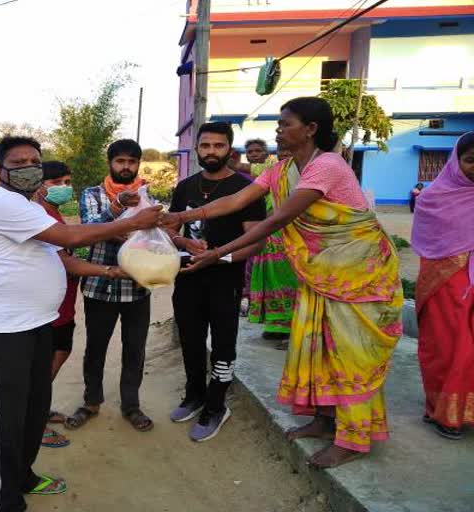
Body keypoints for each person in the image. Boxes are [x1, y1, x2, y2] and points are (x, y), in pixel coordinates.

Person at [163, 97, 402, 468]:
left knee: (351, 354)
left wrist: (218, 253)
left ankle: (354, 438)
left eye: (285, 123)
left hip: (358, 274)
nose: (277, 129)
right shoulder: (282, 169)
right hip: (321, 274)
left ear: (310, 129)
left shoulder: (328, 166)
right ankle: (324, 421)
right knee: (317, 346)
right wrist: (180, 215)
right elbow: (234, 201)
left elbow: (274, 222)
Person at [0, 136, 161, 511]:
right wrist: (134, 221)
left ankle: (24, 474)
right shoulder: (0, 202)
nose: (28, 167)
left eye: (34, 160)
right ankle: (5, 500)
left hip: (38, 325)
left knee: (34, 408)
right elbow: (69, 236)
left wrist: (113, 270)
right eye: (18, 162)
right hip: (0, 330)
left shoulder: (32, 206)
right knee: (3, 419)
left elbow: (64, 257)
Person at [167, 122, 267, 442]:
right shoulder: (185, 187)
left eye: (218, 146)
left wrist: (219, 257)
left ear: (229, 149)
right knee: (191, 340)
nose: (211, 152)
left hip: (225, 278)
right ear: (196, 149)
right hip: (187, 278)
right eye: (205, 146)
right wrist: (184, 245)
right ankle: (194, 395)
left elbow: (256, 241)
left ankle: (216, 406)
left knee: (223, 344)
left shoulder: (246, 188)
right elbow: (170, 229)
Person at [35, 161, 128, 449]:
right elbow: (65, 258)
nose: (64, 187)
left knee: (59, 353)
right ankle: (33, 423)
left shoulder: (53, 212)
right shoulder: (39, 215)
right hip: (47, 307)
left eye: (67, 181)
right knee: (44, 364)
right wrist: (110, 270)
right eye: (58, 182)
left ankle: (37, 409)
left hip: (61, 305)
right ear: (41, 186)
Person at [65, 139, 155, 434]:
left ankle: (131, 405)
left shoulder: (148, 195)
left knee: (135, 348)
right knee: (96, 347)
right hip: (100, 284)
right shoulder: (92, 194)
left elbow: (158, 229)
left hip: (138, 285)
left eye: (132, 161)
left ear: (138, 164)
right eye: (120, 161)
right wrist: (118, 209)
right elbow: (90, 229)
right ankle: (91, 402)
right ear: (110, 163)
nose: (126, 167)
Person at [411, 132, 474, 440]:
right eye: (471, 160)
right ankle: (443, 411)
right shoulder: (435, 197)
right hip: (446, 285)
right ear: (456, 161)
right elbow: (430, 243)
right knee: (446, 346)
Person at [233, 144, 299, 346]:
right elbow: (245, 168)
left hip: (295, 236)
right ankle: (275, 324)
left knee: (291, 279)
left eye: (289, 149)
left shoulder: (308, 169)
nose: (285, 153)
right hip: (270, 236)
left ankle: (294, 325)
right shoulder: (274, 170)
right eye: (281, 149)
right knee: (270, 278)